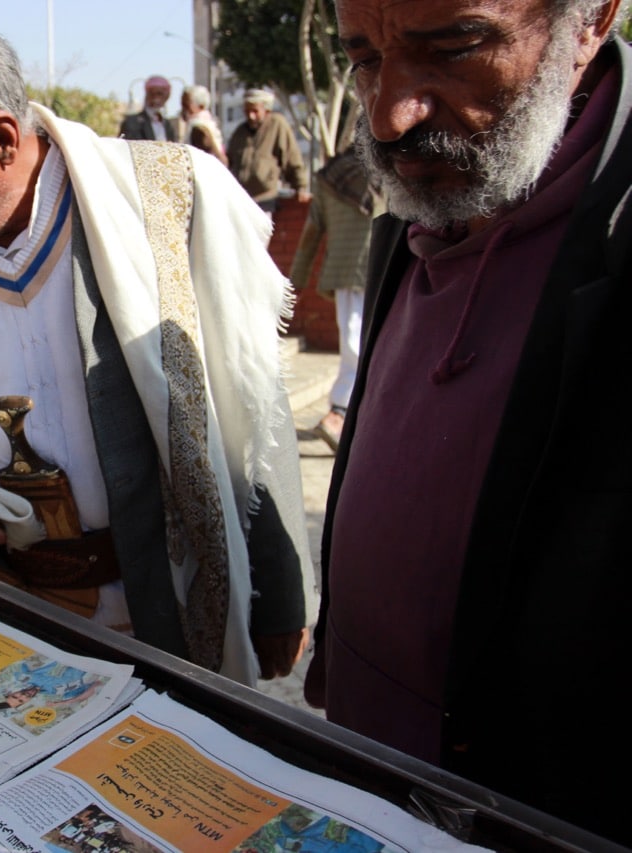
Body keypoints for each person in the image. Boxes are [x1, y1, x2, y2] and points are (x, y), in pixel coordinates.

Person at [0, 21, 316, 685]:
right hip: (10, 615)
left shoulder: (169, 202)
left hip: (166, 611)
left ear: (1, 140)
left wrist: (281, 596)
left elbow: (250, 397)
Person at [305, 0, 632, 842]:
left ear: (592, 18)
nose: (387, 114)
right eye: (363, 59)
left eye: (450, 47)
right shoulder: (425, 205)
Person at [286, 151, 382, 451]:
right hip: (382, 267)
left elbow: (311, 232)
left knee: (355, 344)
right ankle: (340, 415)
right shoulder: (387, 170)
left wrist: (295, 282)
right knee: (366, 349)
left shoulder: (328, 177)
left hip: (344, 273)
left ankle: (348, 417)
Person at [226, 89, 310, 214]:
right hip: (242, 201)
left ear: (266, 110)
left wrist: (300, 186)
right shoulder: (240, 133)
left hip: (266, 199)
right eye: (247, 111)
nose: (251, 116)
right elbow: (229, 162)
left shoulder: (277, 125)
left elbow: (292, 157)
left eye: (255, 111)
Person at [118, 76, 180, 142]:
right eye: (152, 93)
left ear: (166, 98)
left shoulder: (168, 125)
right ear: (147, 94)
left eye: (159, 94)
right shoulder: (132, 122)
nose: (155, 97)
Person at [179, 84, 226, 165]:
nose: (184, 109)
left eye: (186, 105)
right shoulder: (209, 123)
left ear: (201, 106)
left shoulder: (199, 128)